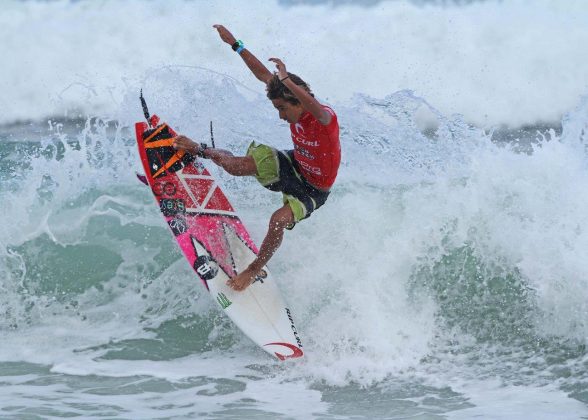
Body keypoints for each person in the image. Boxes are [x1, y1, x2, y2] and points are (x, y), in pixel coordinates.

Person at [173, 24, 340, 291]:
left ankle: (253, 270)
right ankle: (201, 150)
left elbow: (310, 103)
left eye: (283, 108)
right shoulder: (290, 102)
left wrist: (286, 81)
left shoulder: (324, 119)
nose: (280, 116)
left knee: (278, 220)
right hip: (294, 163)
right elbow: (264, 75)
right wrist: (235, 44)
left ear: (298, 101)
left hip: (314, 190)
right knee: (235, 166)